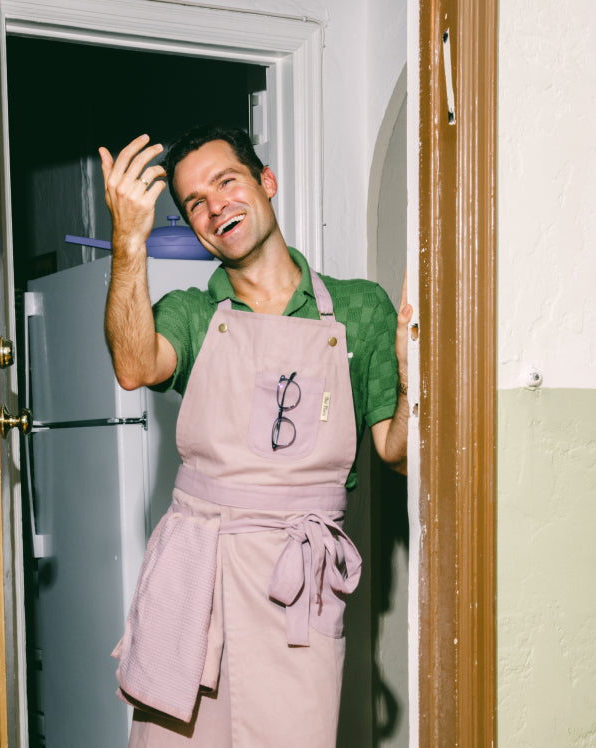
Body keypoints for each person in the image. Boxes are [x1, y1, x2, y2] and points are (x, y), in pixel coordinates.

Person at [99, 125, 411, 747]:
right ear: (192, 227)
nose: (215, 207)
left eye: (226, 182)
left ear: (266, 183)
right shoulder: (191, 313)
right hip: (198, 571)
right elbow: (134, 365)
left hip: (299, 585)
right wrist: (128, 239)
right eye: (195, 203)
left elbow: (396, 454)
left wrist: (413, 378)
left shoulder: (358, 309)